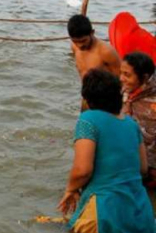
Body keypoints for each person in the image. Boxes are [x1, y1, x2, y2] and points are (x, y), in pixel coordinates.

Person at [58, 69, 154, 232]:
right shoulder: (131, 124)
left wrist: (70, 189)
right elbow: (142, 168)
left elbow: (83, 171)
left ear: (87, 99)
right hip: (140, 211)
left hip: (104, 212)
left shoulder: (88, 120)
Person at [120, 52, 156, 188]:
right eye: (121, 73)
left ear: (145, 77)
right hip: (129, 161)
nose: (121, 78)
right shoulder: (126, 89)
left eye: (127, 75)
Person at [68, 14, 121, 79]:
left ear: (92, 33)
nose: (80, 45)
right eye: (75, 41)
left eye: (83, 41)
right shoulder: (74, 47)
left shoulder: (106, 52)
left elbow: (121, 79)